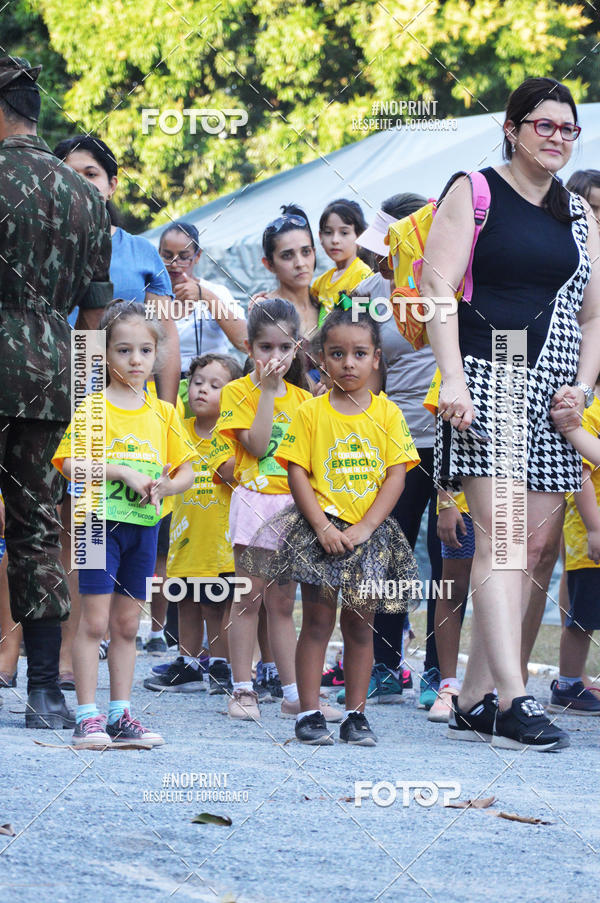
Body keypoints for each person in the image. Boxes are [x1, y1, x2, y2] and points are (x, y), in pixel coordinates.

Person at [421, 76, 600, 751]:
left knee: (533, 549)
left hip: (551, 382)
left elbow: (594, 311)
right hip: (487, 370)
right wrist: (453, 376)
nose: (556, 137)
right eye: (543, 125)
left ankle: (472, 697)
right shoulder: (475, 189)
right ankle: (514, 697)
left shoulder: (578, 213)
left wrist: (582, 385)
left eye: (567, 128)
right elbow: (436, 286)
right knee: (499, 539)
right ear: (513, 127)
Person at [246, 305, 420, 745]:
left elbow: (396, 474)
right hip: (321, 535)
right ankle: (308, 713)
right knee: (318, 623)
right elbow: (297, 472)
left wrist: (366, 527)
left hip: (368, 537)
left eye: (360, 354)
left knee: (361, 626)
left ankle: (355, 716)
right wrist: (323, 526)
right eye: (337, 354)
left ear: (376, 358)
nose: (349, 363)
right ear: (321, 358)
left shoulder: (388, 415)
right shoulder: (310, 413)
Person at [0, 56, 113, 729]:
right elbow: (96, 319)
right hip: (51, 375)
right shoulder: (85, 196)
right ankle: (45, 691)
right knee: (41, 528)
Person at [52, 301, 194, 747]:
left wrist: (166, 487)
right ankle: (87, 717)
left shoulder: (165, 413)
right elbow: (70, 464)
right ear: (105, 355)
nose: (136, 360)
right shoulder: (95, 408)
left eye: (145, 350)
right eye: (124, 350)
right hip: (97, 523)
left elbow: (186, 470)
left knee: (128, 626)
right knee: (93, 622)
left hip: (144, 528)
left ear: (158, 354)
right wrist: (121, 472)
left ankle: (121, 715)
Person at [211, 299, 329, 722]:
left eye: (283, 348)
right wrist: (264, 391)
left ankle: (293, 693)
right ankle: (242, 690)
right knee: (248, 599)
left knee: (282, 605)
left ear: (297, 347)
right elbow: (257, 446)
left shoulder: (305, 400)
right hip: (255, 505)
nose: (274, 358)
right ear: (248, 347)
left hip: (293, 510)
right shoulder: (237, 391)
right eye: (264, 348)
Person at [350, 193, 443, 708]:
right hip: (392, 439)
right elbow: (353, 359)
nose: (378, 258)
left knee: (448, 554)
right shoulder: (365, 290)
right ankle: (385, 664)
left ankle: (438, 670)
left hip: (451, 434)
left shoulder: (449, 283)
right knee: (389, 550)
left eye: (389, 246)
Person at [143, 353, 242, 695]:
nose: (203, 390)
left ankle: (220, 665)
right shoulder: (177, 430)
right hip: (184, 536)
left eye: (216, 386)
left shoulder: (234, 435)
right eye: (197, 382)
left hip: (220, 541)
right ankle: (187, 663)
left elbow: (235, 471)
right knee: (184, 597)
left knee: (214, 604)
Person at [549, 377, 600, 713]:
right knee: (582, 617)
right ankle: (568, 682)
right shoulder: (592, 412)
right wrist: (595, 529)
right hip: (589, 540)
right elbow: (580, 475)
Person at [158, 222, 247, 371]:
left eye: (183, 257)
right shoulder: (149, 294)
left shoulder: (216, 292)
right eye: (167, 256)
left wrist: (204, 295)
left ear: (197, 256)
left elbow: (244, 341)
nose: (174, 264)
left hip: (209, 383)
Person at [312, 199, 372, 325]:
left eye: (344, 233)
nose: (335, 240)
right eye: (328, 232)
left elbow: (362, 326)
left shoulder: (363, 276)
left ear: (360, 236)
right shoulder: (320, 283)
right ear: (320, 237)